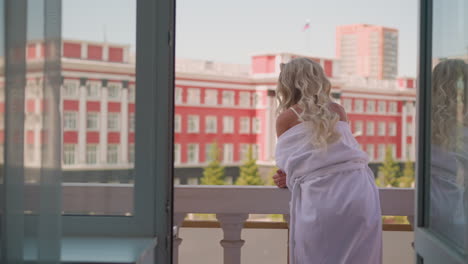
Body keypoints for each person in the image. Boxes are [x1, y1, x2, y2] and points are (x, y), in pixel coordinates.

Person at [272, 58, 382, 264]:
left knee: (318, 256)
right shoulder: (338, 111)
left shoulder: (286, 118)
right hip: (358, 191)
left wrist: (288, 176)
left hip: (321, 197)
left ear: (287, 84)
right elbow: (339, 152)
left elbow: (292, 163)